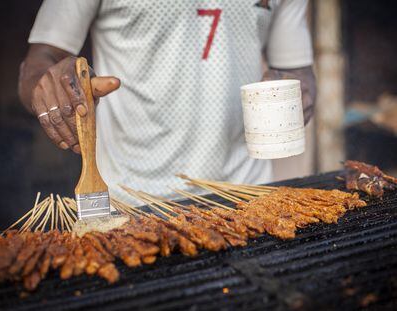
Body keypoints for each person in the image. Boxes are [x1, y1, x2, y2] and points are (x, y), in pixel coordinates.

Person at [19, 0, 316, 202]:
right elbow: (40, 62)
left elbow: (296, 69)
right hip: (132, 203)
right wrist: (51, 87)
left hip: (245, 196)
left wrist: (298, 90)